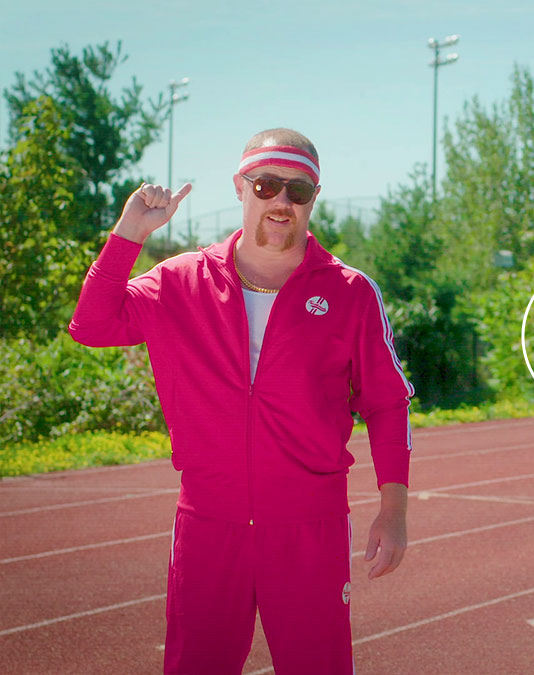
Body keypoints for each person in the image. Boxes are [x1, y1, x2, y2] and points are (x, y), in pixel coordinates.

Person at [69, 128, 413, 675]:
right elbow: (90, 325)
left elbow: (388, 405)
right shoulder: (182, 280)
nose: (281, 201)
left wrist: (393, 511)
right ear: (240, 187)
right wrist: (129, 232)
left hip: (309, 527)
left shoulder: (350, 292)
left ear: (313, 199)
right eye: (267, 185)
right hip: (208, 523)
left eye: (298, 191)